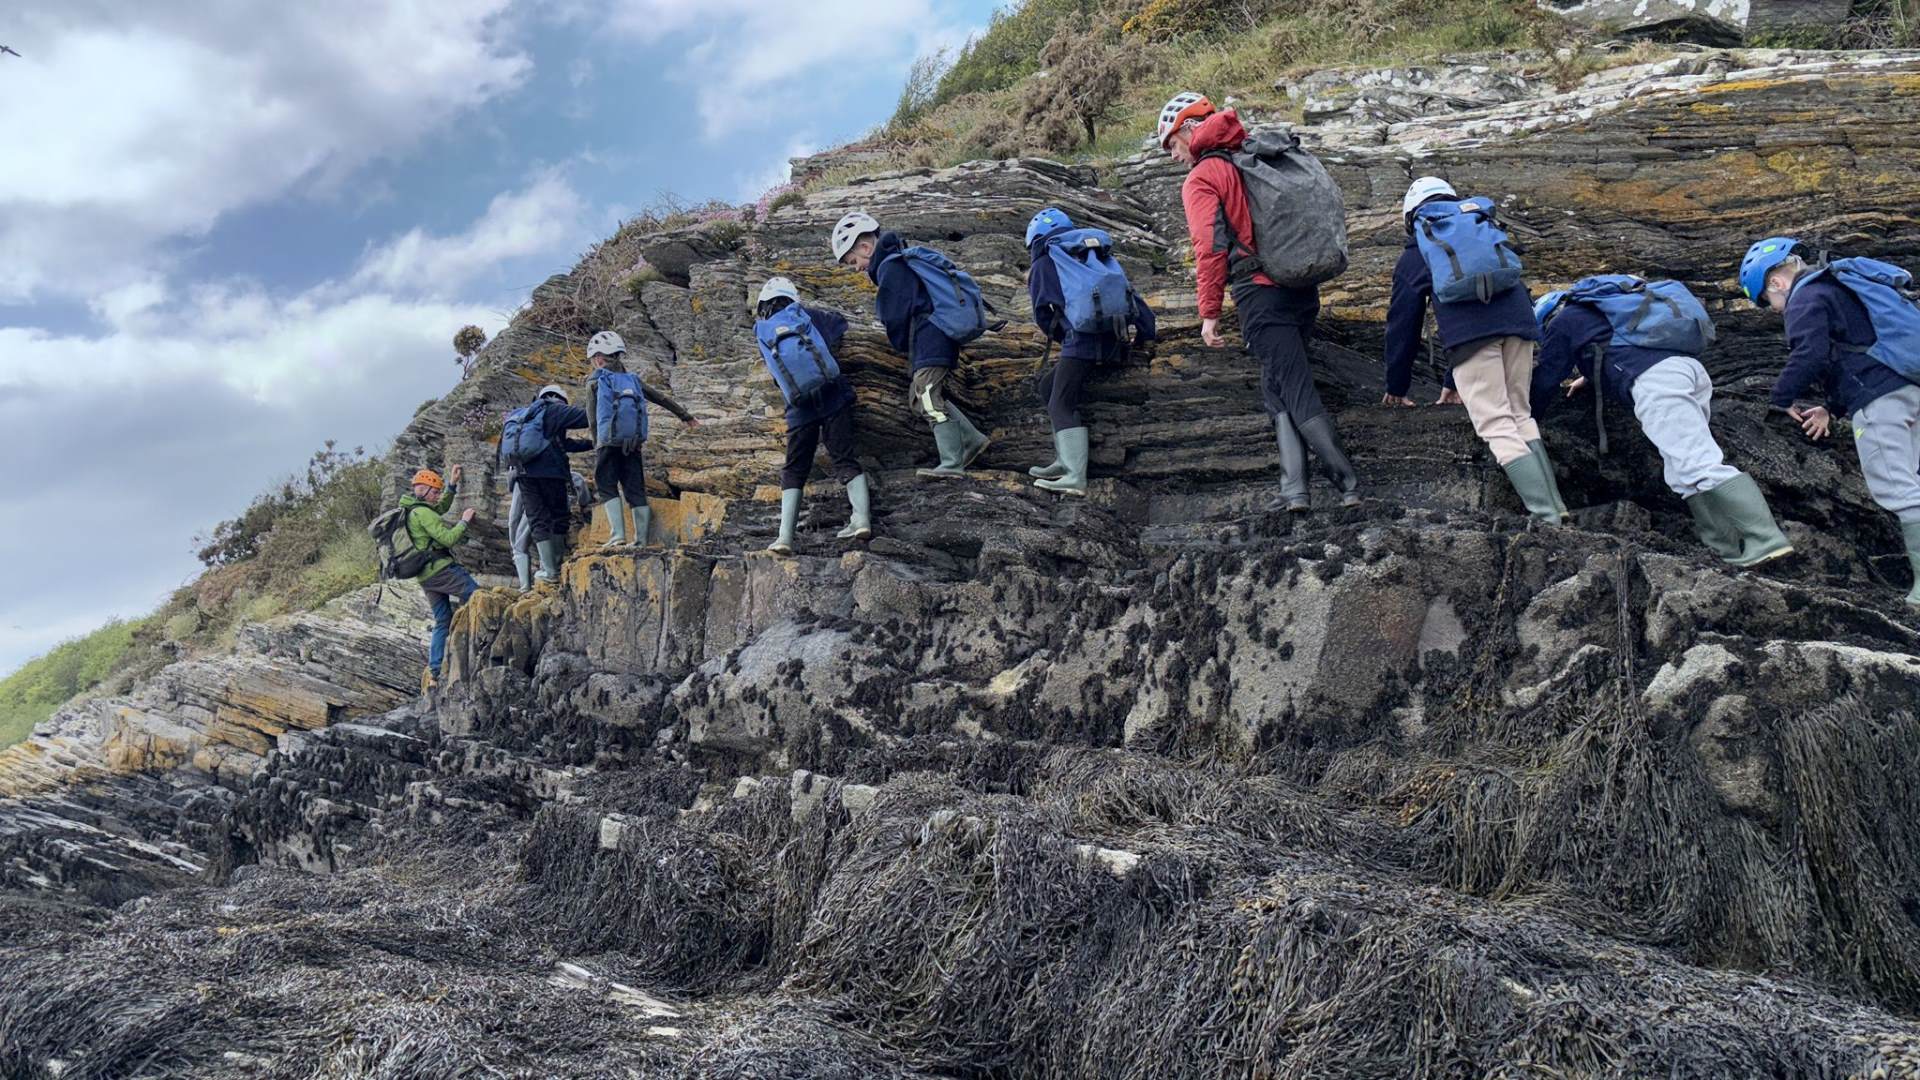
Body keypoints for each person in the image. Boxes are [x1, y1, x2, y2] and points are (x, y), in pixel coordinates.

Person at [1156, 91, 1360, 512]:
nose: (1173, 156)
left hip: (1260, 293)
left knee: (1294, 384)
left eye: (1172, 144)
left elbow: (1209, 248)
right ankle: (1294, 491)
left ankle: (1349, 484)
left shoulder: (1203, 176)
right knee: (1276, 384)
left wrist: (1209, 312)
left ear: (1190, 129)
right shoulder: (1256, 155)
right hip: (1300, 286)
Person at [1531, 278, 1792, 566]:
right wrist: (1591, 378)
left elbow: (1548, 376)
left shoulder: (1563, 321)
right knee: (1681, 472)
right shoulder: (1600, 314)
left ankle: (1766, 539)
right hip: (1689, 371)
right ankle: (1725, 550)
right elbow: (1613, 350)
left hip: (1658, 381)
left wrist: (1526, 419)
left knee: (1697, 463)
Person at [1742, 237, 1920, 606]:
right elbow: (1855, 353)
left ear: (1775, 282)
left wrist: (1780, 398)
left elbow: (1810, 353)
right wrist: (1831, 409)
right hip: (1908, 389)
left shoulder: (1804, 297)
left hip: (1880, 404)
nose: (1773, 309)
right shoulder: (1838, 287)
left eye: (1767, 300)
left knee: (1898, 490)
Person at [1385, 176, 1562, 522]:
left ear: (1411, 216)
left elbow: (1403, 324)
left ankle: (1546, 517)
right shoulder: (1482, 225)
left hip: (1472, 338)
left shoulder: (1418, 249)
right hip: (1521, 326)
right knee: (1520, 415)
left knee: (1496, 424)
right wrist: (1453, 380)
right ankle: (1558, 509)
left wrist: (1397, 385)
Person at [831, 210, 992, 479]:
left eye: (853, 261)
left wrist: (899, 341)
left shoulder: (890, 268)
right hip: (932, 338)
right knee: (919, 398)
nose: (856, 267)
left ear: (865, 247)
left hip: (932, 338)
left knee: (927, 396)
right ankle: (972, 440)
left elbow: (894, 315)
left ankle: (952, 462)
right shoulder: (895, 262)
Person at [1024, 207, 1157, 497]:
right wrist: (1146, 335)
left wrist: (1065, 338)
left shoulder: (1046, 261)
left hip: (1081, 343)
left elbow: (1043, 314)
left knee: (1060, 403)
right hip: (1114, 341)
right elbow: (1131, 296)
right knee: (1048, 387)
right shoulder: (1097, 255)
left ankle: (1074, 476)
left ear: (1035, 239)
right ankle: (1063, 460)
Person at [753, 277, 873, 554]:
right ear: (792, 298)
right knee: (844, 458)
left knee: (794, 468)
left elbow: (776, 374)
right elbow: (840, 325)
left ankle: (785, 537)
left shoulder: (762, 329)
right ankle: (861, 519)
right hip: (833, 396)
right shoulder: (809, 316)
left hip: (799, 407)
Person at [582, 330, 700, 548]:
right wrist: (686, 416)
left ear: (598, 358)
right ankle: (641, 540)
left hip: (608, 442)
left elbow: (592, 417)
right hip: (633, 442)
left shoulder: (595, 380)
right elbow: (660, 397)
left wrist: (598, 442)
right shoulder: (633, 380)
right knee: (635, 487)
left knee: (606, 484)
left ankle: (618, 536)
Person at [508, 384, 593, 582]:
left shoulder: (526, 416)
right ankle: (555, 567)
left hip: (523, 475)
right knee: (558, 517)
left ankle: (545, 573)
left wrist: (589, 444)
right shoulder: (555, 409)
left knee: (537, 520)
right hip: (551, 474)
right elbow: (586, 417)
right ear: (559, 398)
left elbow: (564, 444)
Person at [400, 466, 476, 685]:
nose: (437, 495)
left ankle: (434, 671)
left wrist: (452, 485)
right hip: (441, 570)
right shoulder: (423, 513)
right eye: (434, 491)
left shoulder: (414, 509)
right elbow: (448, 539)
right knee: (477, 596)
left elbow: (440, 508)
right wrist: (464, 521)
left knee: (442, 620)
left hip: (425, 577)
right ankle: (475, 646)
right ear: (423, 490)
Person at [508, 469, 591, 590]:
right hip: (559, 510)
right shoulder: (560, 468)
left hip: (534, 512)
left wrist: (513, 541)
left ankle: (525, 588)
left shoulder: (521, 474)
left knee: (520, 547)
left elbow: (514, 516)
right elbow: (579, 481)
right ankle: (552, 575)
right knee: (552, 535)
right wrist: (584, 504)